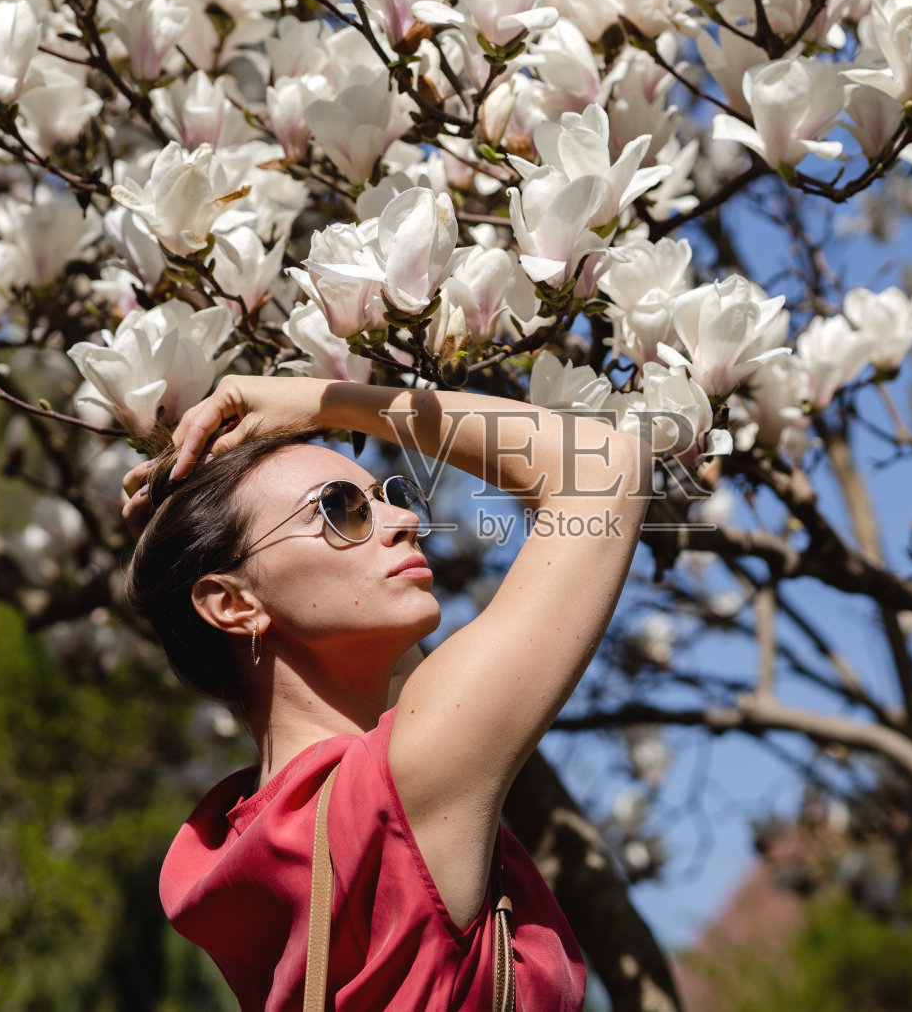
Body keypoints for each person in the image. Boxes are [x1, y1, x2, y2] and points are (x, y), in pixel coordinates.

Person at [120, 375, 651, 1011]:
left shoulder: (242, 846)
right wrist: (329, 401)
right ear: (233, 603)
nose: (405, 520)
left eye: (390, 495)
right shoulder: (396, 789)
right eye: (340, 508)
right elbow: (606, 466)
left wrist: (173, 546)